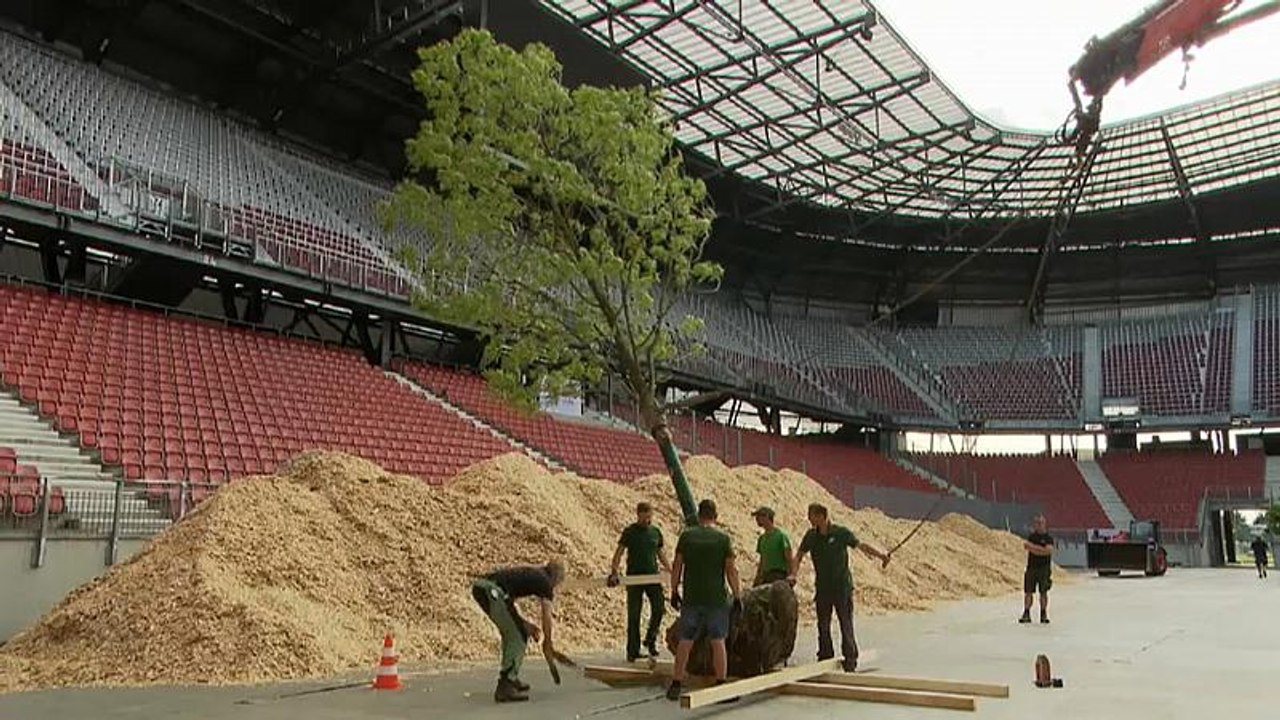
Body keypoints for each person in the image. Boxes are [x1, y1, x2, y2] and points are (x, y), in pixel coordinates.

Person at [791, 502, 890, 672]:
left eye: (811, 515)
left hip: (842, 588)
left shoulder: (840, 533)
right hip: (823, 588)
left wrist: (881, 555)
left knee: (846, 623)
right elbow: (799, 555)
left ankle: (850, 659)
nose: (809, 519)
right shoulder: (811, 536)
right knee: (823, 625)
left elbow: (861, 546)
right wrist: (793, 574)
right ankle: (825, 658)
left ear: (822, 516)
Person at [666, 498, 743, 702]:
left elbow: (677, 566)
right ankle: (720, 684)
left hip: (692, 598)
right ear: (715, 516)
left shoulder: (687, 537)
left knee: (686, 640)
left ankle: (676, 683)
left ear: (699, 515)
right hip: (716, 599)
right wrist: (737, 596)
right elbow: (731, 570)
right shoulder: (723, 539)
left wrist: (674, 591)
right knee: (718, 641)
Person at [470, 560, 565, 703]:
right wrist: (548, 643)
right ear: (556, 578)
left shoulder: (533, 575)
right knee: (517, 636)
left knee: (517, 631)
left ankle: (511, 677)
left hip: (484, 588)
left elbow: (509, 607)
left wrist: (526, 625)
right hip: (492, 591)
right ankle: (505, 686)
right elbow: (547, 616)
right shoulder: (545, 583)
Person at [608, 501, 672, 661]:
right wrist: (614, 572)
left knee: (659, 607)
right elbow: (619, 553)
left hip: (652, 576)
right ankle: (633, 651)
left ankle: (650, 639)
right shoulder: (630, 532)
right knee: (634, 614)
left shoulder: (655, 532)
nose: (647, 521)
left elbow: (660, 553)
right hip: (634, 578)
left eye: (650, 517)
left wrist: (671, 570)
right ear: (638, 515)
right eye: (645, 518)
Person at [1021, 515, 1054, 624]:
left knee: (1043, 592)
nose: (1038, 525)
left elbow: (1048, 551)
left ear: (1045, 524)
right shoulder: (1031, 537)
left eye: (1040, 523)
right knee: (1028, 592)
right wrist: (1040, 550)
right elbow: (1029, 547)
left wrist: (1033, 548)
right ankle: (1026, 613)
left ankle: (1043, 613)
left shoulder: (1049, 538)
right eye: (1036, 523)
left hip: (1044, 569)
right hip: (1031, 568)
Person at [752, 506, 794, 586]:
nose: (757, 519)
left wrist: (790, 577)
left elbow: (789, 558)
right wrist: (757, 579)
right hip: (766, 576)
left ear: (767, 516)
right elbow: (762, 561)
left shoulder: (781, 536)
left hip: (779, 576)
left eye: (759, 516)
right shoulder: (762, 539)